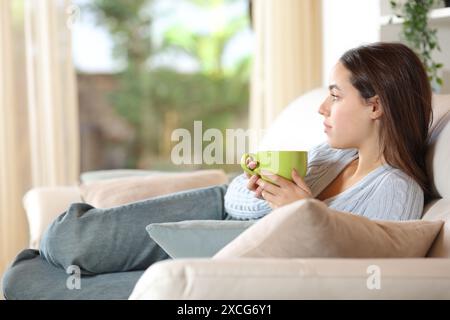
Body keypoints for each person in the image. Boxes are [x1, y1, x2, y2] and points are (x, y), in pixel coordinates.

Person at [38, 42, 433, 276]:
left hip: (226, 250)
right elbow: (235, 202)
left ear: (376, 106)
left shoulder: (397, 191)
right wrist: (257, 186)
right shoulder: (331, 155)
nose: (322, 108)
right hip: (214, 206)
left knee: (40, 282)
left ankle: (39, 272)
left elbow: (355, 276)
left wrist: (302, 212)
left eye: (335, 95)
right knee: (72, 239)